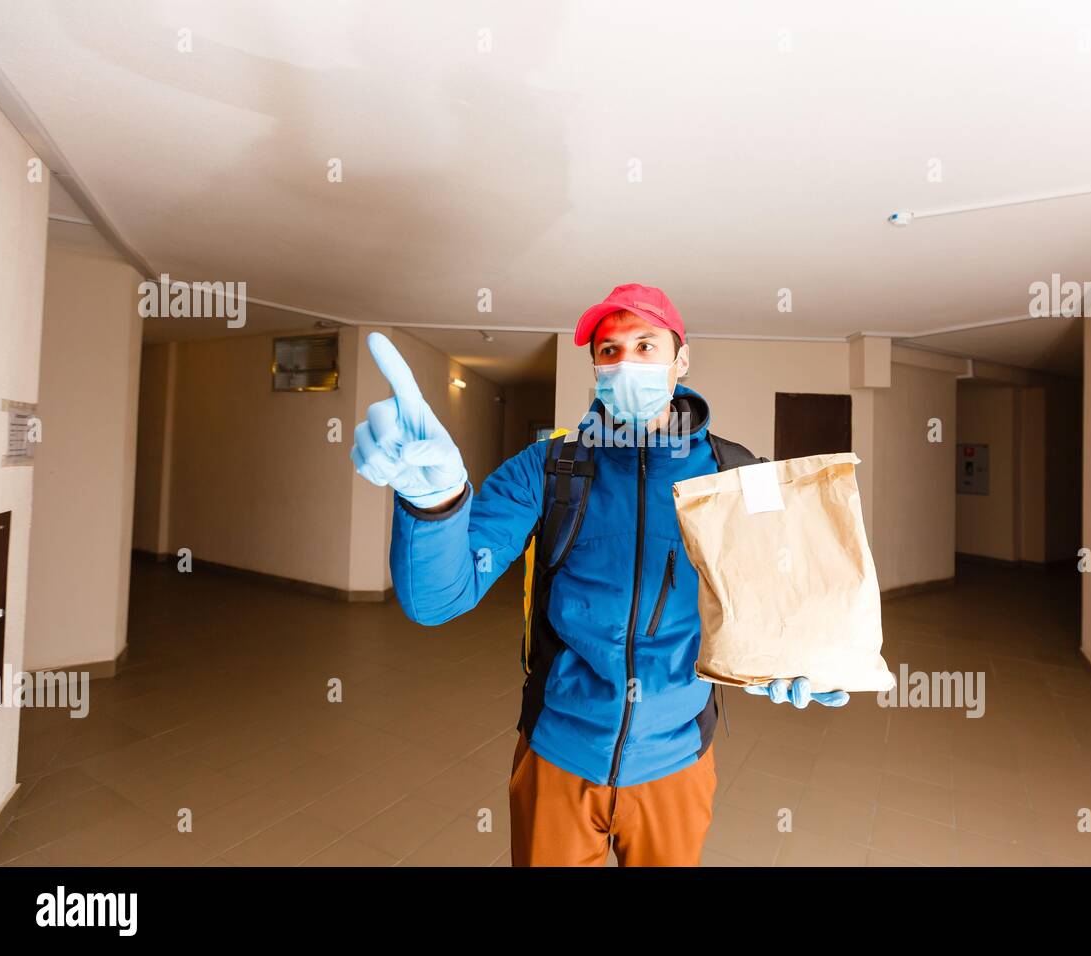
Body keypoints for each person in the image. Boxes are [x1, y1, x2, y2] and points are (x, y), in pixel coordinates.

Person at [350, 283, 848, 866]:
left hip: (677, 758)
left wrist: (805, 658)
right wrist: (433, 503)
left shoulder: (733, 475)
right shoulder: (548, 468)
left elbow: (787, 588)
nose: (626, 363)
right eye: (609, 351)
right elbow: (439, 599)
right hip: (559, 753)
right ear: (594, 365)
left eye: (645, 345)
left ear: (681, 358)